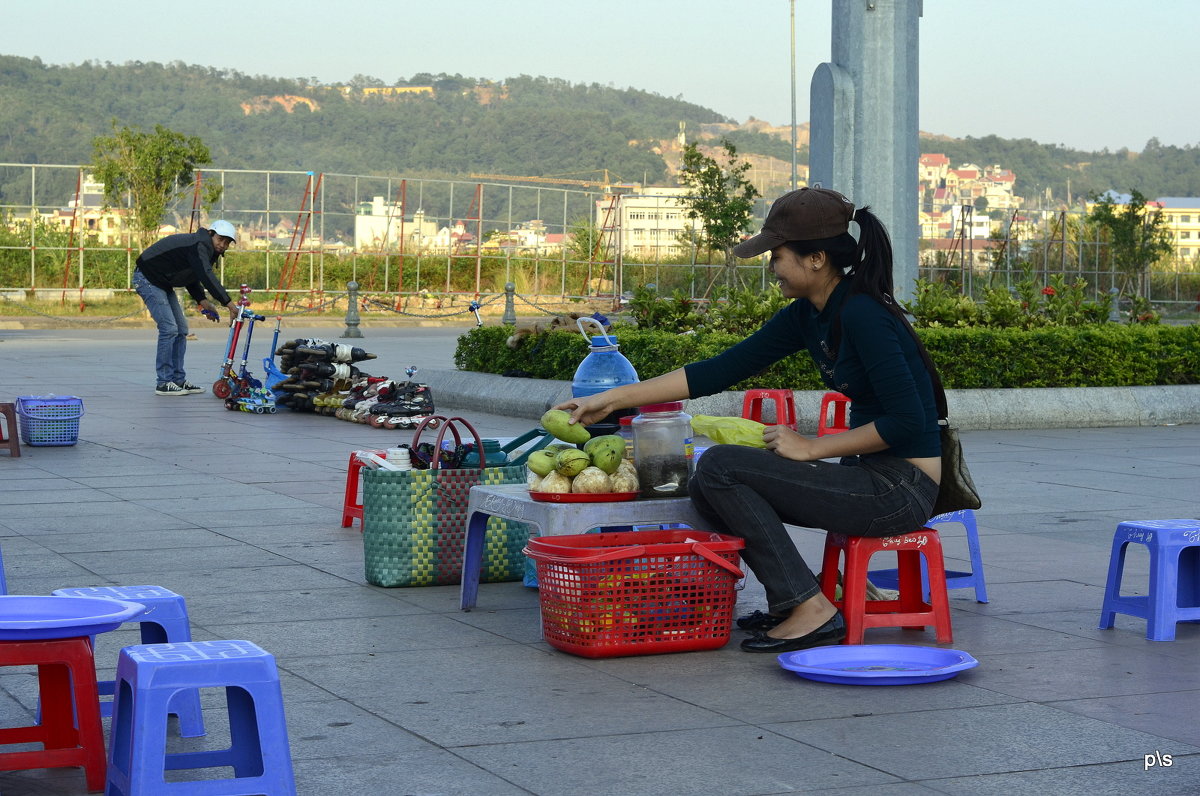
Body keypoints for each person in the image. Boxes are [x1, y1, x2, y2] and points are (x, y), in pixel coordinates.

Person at [558, 187, 941, 653]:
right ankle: (795, 601)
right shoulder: (812, 314)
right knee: (707, 482)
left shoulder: (864, 314)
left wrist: (811, 447)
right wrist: (615, 400)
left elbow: (907, 420)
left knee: (721, 466)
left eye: (777, 256)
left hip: (901, 490)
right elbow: (719, 370)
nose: (772, 267)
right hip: (868, 478)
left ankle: (811, 609)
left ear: (816, 258)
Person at [132, 220, 240, 396]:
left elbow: (192, 275)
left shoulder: (206, 249)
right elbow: (205, 275)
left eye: (227, 243)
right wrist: (229, 304)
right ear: (211, 234)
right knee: (169, 329)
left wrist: (202, 300)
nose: (223, 245)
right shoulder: (199, 245)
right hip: (146, 278)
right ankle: (164, 382)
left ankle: (177, 380)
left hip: (161, 282)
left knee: (181, 329)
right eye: (221, 239)